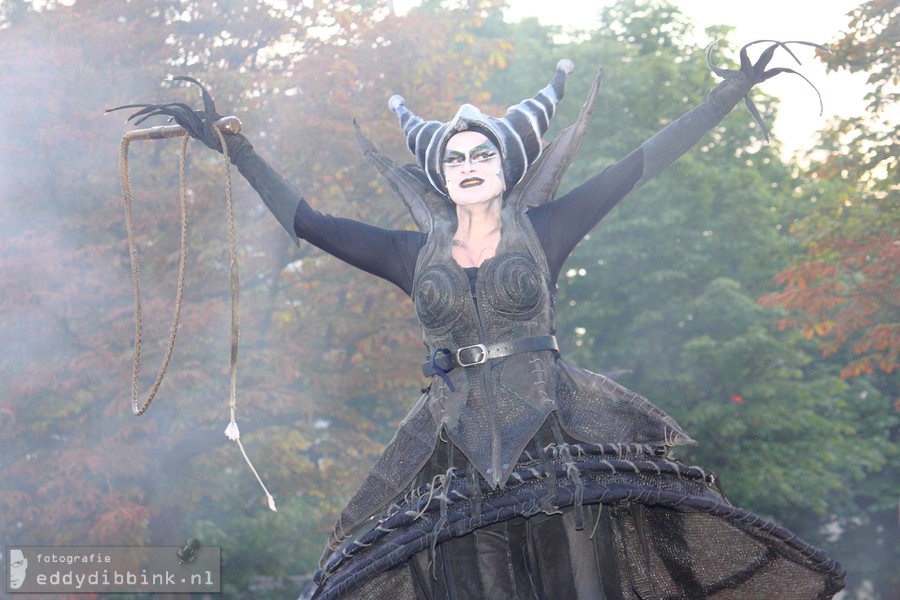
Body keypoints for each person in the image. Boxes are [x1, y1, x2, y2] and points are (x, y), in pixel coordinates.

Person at [116, 42, 845, 599]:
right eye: (455, 156)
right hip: (455, 451)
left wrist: (724, 97)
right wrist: (236, 148)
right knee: (471, 581)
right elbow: (308, 221)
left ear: (507, 164)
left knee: (577, 577)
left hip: (559, 440)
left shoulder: (549, 228)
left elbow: (640, 165)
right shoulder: (409, 253)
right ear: (441, 174)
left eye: (482, 152)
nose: (468, 163)